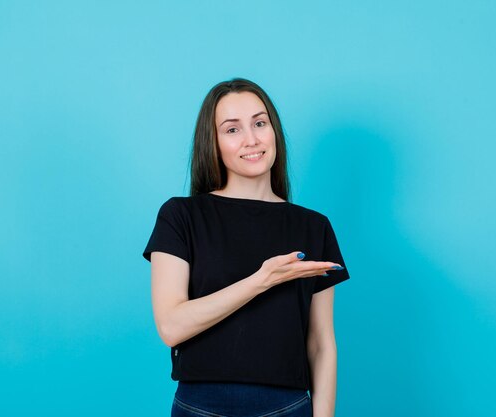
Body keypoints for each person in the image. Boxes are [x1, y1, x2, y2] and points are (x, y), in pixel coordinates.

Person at [142, 78, 350, 417]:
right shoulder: (181, 216)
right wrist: (262, 280)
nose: (251, 139)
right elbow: (171, 326)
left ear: (274, 131)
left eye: (259, 123)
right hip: (199, 407)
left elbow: (321, 343)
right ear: (213, 142)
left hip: (288, 407)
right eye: (232, 129)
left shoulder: (313, 227)